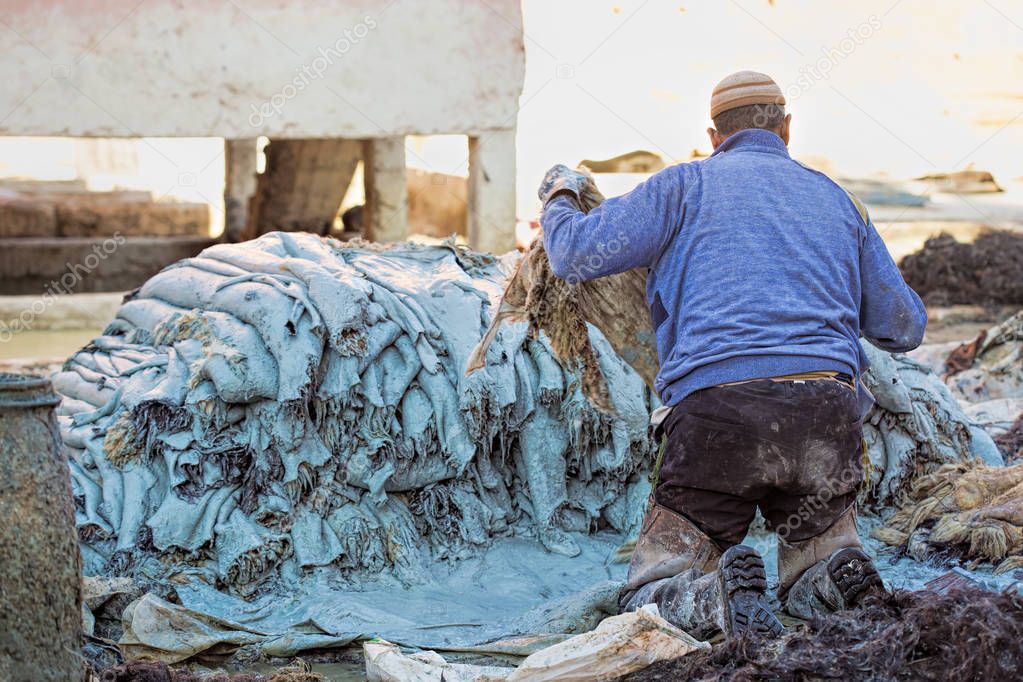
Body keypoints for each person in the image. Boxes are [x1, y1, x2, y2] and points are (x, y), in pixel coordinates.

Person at [536, 70, 927, 640]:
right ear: (787, 128)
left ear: (713, 137)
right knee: (819, 553)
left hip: (720, 418)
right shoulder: (840, 201)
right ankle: (837, 576)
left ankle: (714, 593)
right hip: (826, 416)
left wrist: (560, 194)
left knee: (654, 585)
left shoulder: (681, 187)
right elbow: (904, 327)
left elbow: (573, 255)